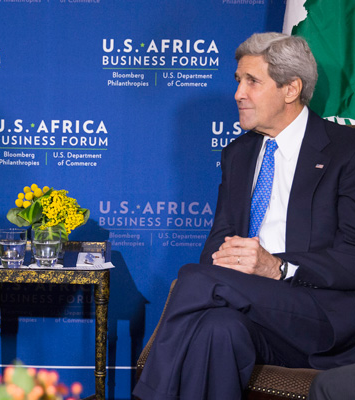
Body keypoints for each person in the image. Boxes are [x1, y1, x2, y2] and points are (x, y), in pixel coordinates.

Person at [133, 32, 355, 399]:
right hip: (251, 311)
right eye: (238, 81)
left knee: (196, 278)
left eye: (252, 81)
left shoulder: (345, 150)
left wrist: (279, 267)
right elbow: (216, 245)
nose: (238, 93)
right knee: (217, 330)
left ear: (290, 89)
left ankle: (148, 391)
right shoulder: (239, 153)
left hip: (320, 315)